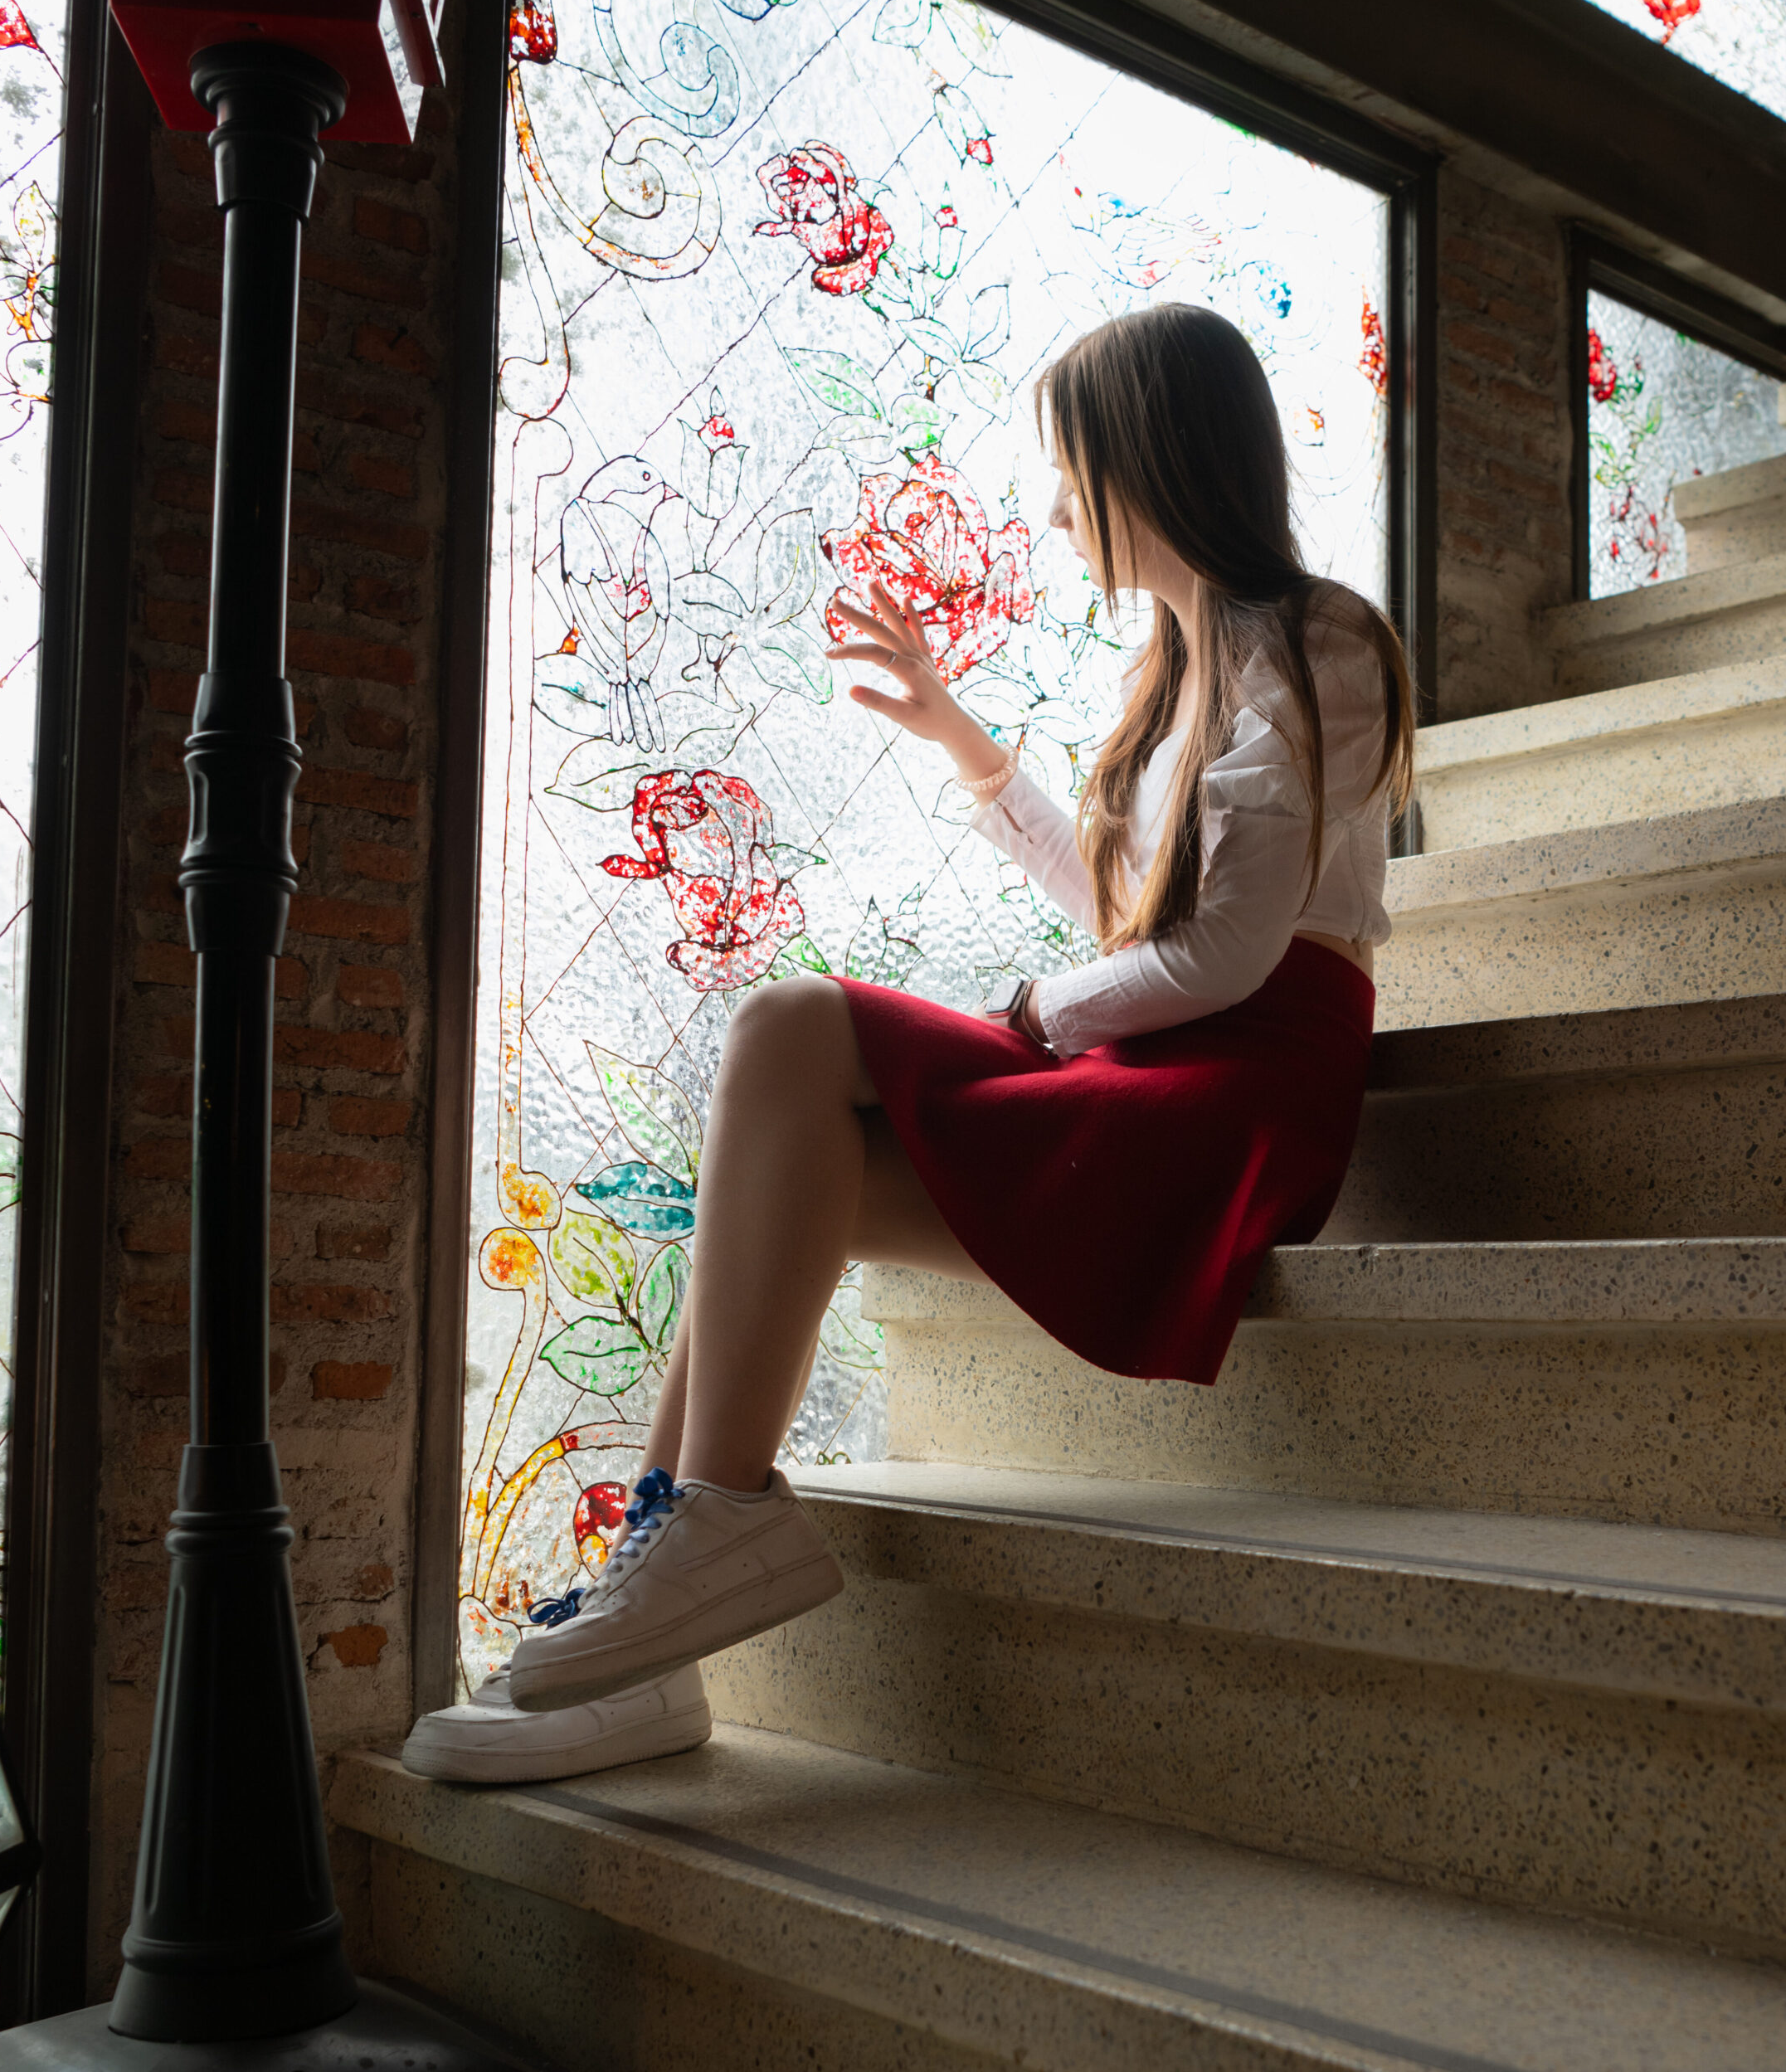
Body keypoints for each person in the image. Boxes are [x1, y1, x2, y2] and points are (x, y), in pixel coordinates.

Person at [401, 301, 1414, 1783]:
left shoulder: (1321, 640)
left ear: (1155, 460)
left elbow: (1228, 956)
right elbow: (1143, 922)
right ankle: (661, 1595)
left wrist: (1032, 1020)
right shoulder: (1171, 672)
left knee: (794, 1026)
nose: (1061, 509)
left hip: (1250, 1089)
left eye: (1077, 473)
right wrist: (968, 748)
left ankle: (711, 1532)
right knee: (769, 1182)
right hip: (1167, 1050)